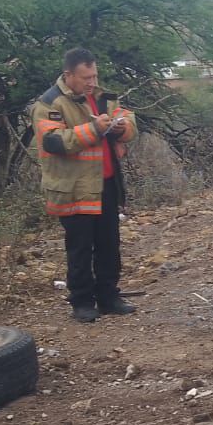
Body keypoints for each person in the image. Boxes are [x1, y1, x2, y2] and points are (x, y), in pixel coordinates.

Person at [30, 48, 139, 323]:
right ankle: (81, 301)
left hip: (106, 184)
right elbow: (53, 141)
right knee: (79, 248)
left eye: (94, 75)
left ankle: (109, 297)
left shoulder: (104, 97)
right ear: (69, 75)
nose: (91, 82)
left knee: (108, 244)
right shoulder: (50, 103)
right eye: (85, 77)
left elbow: (129, 120)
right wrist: (95, 129)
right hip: (73, 189)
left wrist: (121, 127)